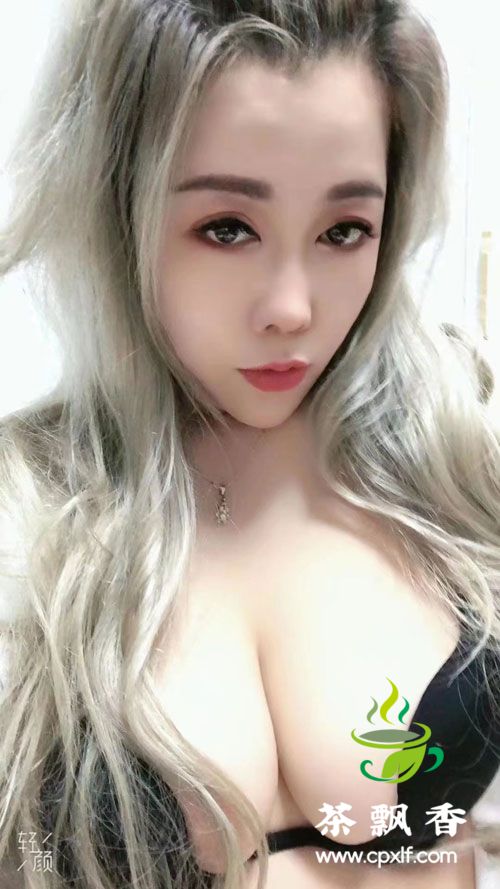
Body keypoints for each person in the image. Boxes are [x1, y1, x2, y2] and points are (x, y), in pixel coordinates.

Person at [0, 1, 499, 888]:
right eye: (227, 228)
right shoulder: (23, 516)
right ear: (118, 206)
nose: (292, 308)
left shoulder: (458, 459)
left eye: (344, 231)